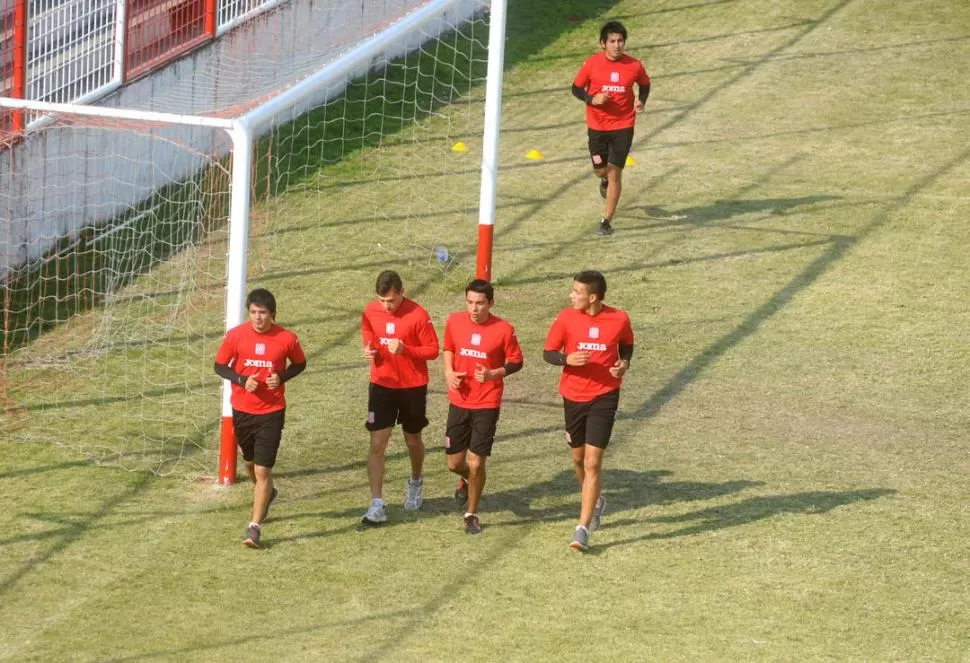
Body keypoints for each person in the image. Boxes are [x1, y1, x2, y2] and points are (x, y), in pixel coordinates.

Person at [543, 270, 634, 552]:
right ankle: (595, 499)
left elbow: (627, 346)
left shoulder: (619, 318)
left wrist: (624, 364)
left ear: (592, 297)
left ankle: (581, 528)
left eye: (577, 292)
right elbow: (548, 352)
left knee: (593, 462)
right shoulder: (566, 317)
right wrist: (566, 358)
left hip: (604, 396)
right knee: (578, 458)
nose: (572, 295)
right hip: (573, 396)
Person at [214, 288, 307, 548]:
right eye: (253, 312)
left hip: (271, 412)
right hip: (242, 411)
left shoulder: (287, 339)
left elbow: (300, 364)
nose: (258, 318)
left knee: (263, 469)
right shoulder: (235, 336)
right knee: (250, 463)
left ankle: (254, 527)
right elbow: (219, 365)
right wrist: (242, 380)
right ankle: (268, 494)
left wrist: (282, 377)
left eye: (263, 313)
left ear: (272, 314)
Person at [442, 279, 523, 535]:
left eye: (479, 303)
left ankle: (472, 513)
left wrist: (494, 374)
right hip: (459, 400)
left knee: (476, 463)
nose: (474, 308)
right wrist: (448, 372)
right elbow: (449, 348)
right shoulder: (455, 321)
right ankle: (466, 480)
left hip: (487, 401)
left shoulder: (504, 329)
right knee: (454, 464)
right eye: (470, 302)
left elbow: (517, 361)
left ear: (491, 303)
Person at [360, 270, 440, 525]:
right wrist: (369, 350)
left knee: (413, 439)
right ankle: (376, 504)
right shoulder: (370, 312)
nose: (387, 306)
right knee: (377, 443)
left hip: (412, 387)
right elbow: (368, 335)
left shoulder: (418, 315)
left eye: (392, 300)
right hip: (382, 385)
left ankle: (416, 481)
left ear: (402, 292)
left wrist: (407, 350)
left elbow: (433, 350)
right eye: (383, 301)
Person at [571, 20, 651, 236]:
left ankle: (606, 221)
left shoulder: (634, 66)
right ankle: (603, 178)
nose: (617, 45)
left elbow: (645, 84)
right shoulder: (591, 64)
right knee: (600, 170)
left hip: (623, 125)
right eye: (612, 41)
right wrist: (591, 99)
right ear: (602, 44)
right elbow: (576, 88)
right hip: (597, 127)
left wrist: (641, 101)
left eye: (620, 41)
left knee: (616, 171)